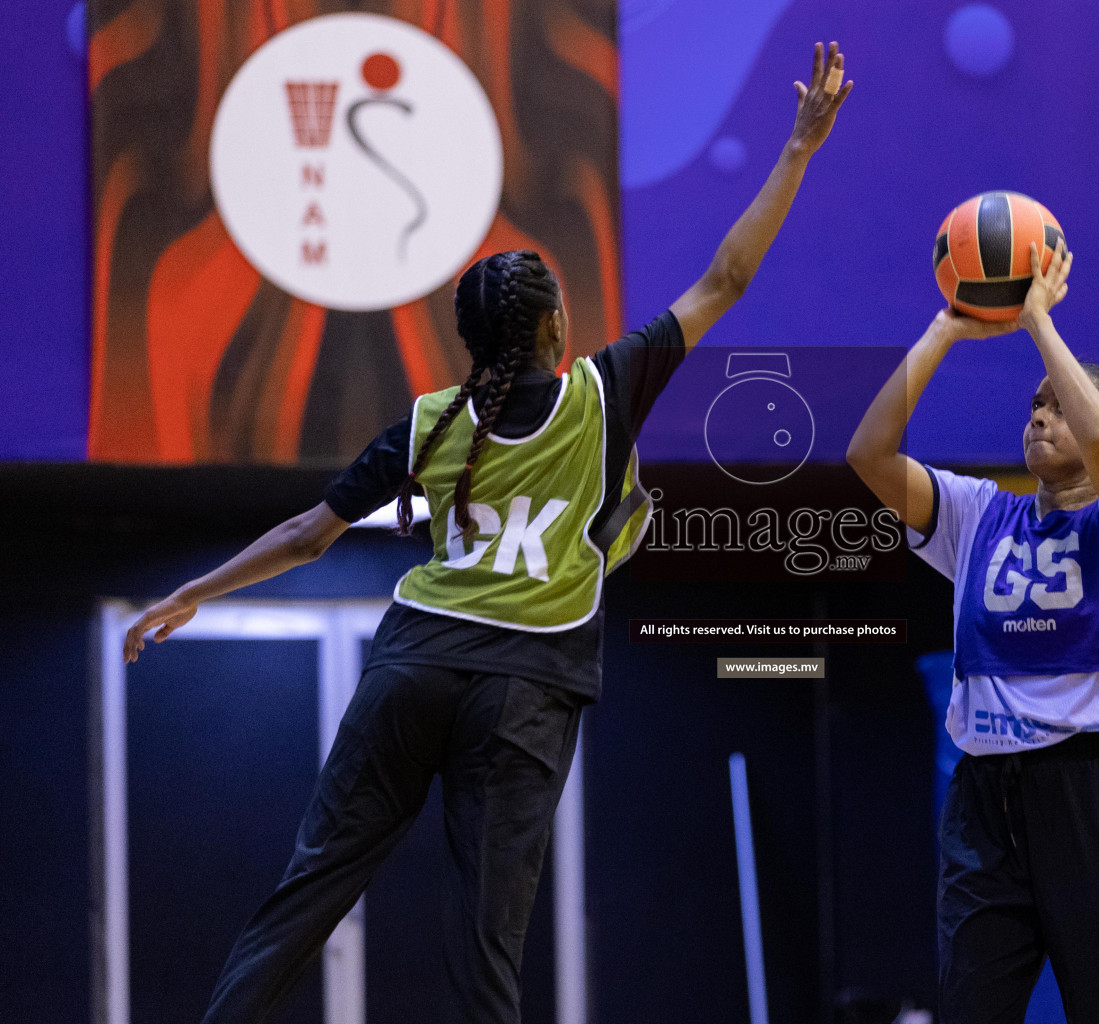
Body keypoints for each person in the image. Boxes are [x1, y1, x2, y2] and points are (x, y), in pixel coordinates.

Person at [122, 41, 852, 1024]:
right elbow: (726, 276)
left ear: (470, 338)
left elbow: (307, 534)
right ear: (556, 327)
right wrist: (799, 151)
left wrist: (192, 593)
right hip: (525, 687)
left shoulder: (430, 420)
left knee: (310, 887)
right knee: (486, 943)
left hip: (412, 665)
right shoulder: (606, 391)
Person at [847, 240, 1099, 1023]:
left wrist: (1039, 321)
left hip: (1095, 791)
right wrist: (944, 330)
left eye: (1057, 404)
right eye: (1032, 405)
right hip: (985, 795)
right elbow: (869, 454)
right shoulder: (978, 516)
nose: (1040, 415)